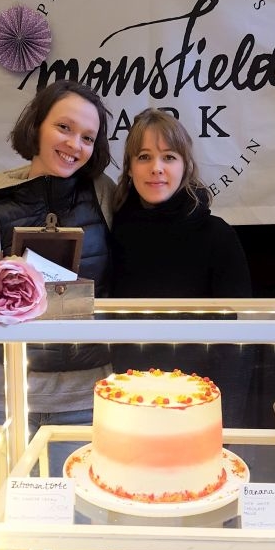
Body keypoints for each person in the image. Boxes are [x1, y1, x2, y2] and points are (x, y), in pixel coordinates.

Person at [0, 80, 116, 483]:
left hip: (88, 396)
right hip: (6, 397)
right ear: (37, 125)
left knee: (79, 527)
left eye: (88, 137)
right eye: (64, 128)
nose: (75, 144)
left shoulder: (104, 198)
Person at [110, 108, 253, 426]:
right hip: (128, 403)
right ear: (130, 168)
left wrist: (223, 421)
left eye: (169, 157)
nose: (156, 169)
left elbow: (237, 347)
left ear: (186, 166)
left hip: (198, 408)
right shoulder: (114, 232)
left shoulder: (218, 236)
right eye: (144, 157)